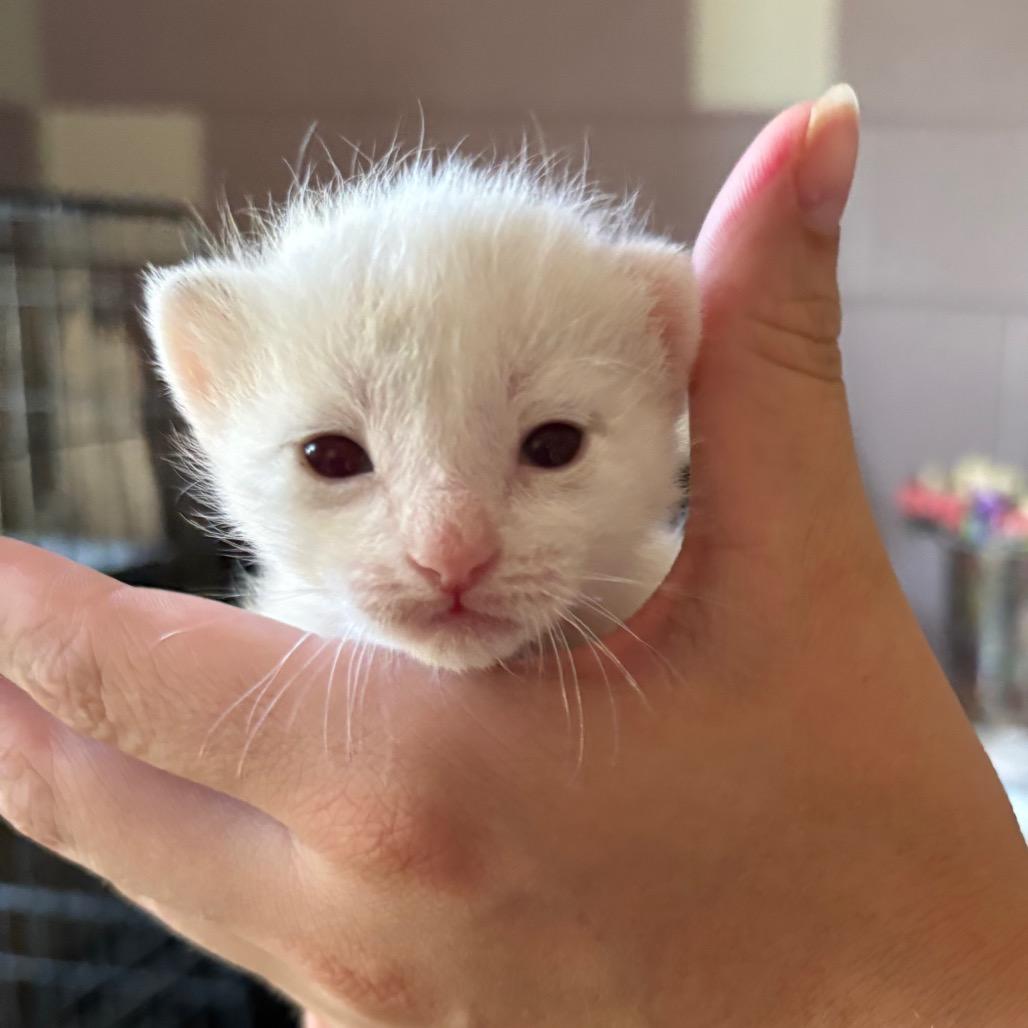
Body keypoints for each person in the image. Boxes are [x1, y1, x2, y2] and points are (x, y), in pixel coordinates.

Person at [0, 86, 1025, 1027]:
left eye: (549, 444)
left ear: (663, 368)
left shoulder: (710, 656)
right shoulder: (267, 664)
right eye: (334, 457)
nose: (449, 549)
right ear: (206, 387)